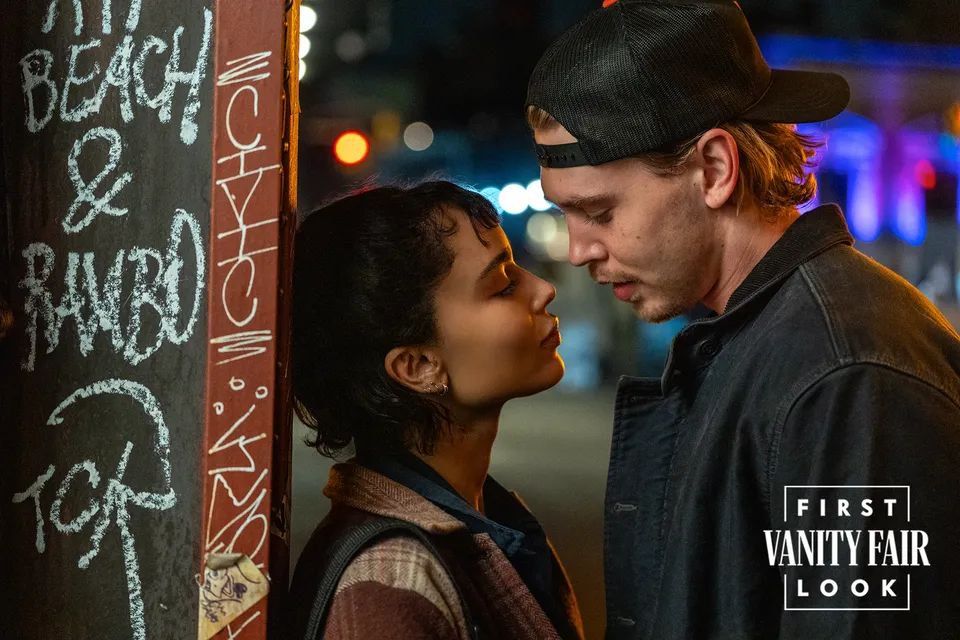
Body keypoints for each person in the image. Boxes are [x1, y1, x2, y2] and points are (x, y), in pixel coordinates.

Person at [524, 1, 960, 639]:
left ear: (715, 170)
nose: (578, 249)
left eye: (600, 212)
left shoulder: (846, 376)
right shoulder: (758, 340)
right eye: (566, 214)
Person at [288, 181, 584, 640]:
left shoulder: (482, 522)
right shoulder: (387, 592)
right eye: (503, 286)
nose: (544, 289)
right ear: (418, 366)